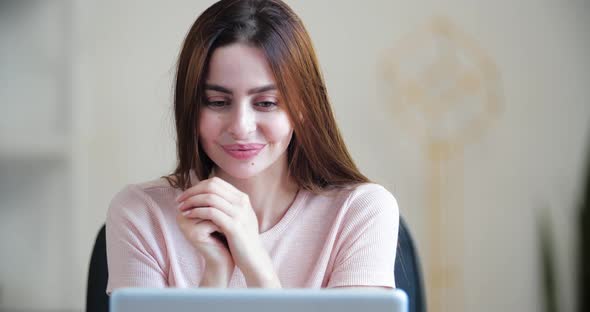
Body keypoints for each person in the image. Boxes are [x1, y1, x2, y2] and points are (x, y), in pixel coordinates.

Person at [106, 0, 399, 293]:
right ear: (191, 109)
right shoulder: (142, 213)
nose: (241, 126)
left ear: (303, 109)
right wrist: (216, 274)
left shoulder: (361, 211)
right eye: (218, 102)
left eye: (267, 103)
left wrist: (257, 267)